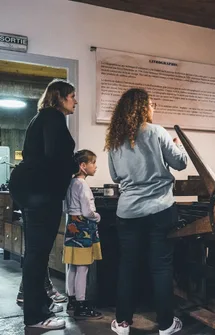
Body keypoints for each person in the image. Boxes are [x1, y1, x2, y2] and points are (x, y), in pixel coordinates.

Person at [105, 88, 187, 335]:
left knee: (128, 265)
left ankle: (121, 323)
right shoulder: (157, 132)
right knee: (161, 266)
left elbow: (115, 175)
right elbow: (180, 163)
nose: (154, 108)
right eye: (152, 104)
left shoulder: (115, 139)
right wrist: (177, 145)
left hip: (128, 212)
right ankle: (166, 325)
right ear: (142, 107)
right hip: (160, 209)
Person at [8, 79, 79, 330]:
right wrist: (74, 165)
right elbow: (55, 156)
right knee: (38, 255)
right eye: (72, 97)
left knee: (35, 254)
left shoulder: (40, 118)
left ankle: (39, 305)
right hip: (41, 194)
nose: (75, 101)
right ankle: (36, 317)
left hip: (32, 192)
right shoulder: (53, 117)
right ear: (60, 97)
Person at [63, 149, 103, 319]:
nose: (96, 166)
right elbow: (87, 211)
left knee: (72, 265)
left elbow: (65, 207)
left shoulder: (70, 183)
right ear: (83, 166)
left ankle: (71, 300)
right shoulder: (83, 185)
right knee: (83, 268)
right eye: (93, 163)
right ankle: (82, 304)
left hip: (71, 224)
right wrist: (97, 216)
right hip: (83, 227)